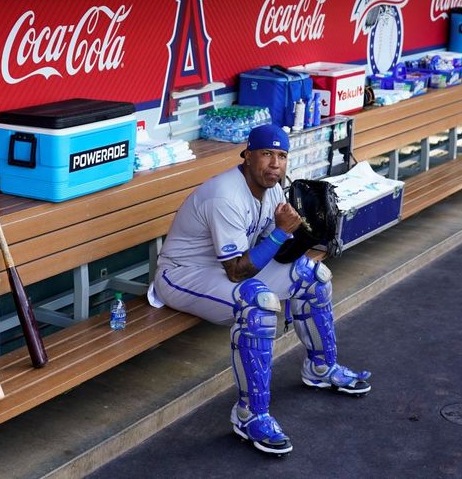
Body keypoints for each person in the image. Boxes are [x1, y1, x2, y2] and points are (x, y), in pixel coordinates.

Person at [147, 123, 370, 455]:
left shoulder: (274, 190)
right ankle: (250, 414)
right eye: (266, 154)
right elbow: (239, 272)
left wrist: (306, 236)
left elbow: (272, 251)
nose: (275, 164)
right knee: (257, 303)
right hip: (182, 275)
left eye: (281, 156)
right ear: (248, 155)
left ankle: (321, 367)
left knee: (313, 275)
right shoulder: (226, 195)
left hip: (225, 268)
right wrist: (281, 233)